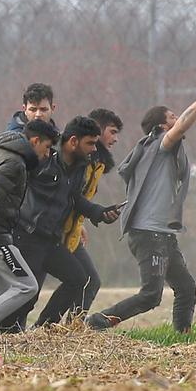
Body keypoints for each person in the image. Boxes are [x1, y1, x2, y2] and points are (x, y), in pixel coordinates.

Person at [87, 73, 196, 333]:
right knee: (152, 294)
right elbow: (183, 125)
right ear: (163, 127)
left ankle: (182, 337)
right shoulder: (159, 145)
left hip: (162, 234)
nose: (178, 120)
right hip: (149, 234)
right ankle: (100, 320)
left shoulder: (166, 151)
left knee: (186, 288)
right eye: (172, 117)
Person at [8, 116, 120, 331]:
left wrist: (99, 213)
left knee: (79, 279)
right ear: (73, 141)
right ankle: (4, 334)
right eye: (90, 143)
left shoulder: (80, 166)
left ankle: (43, 330)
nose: (94, 148)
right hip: (27, 235)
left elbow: (74, 199)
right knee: (26, 296)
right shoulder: (43, 158)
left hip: (51, 239)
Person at [0, 119, 59, 334]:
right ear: (35, 140)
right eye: (47, 147)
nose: (47, 154)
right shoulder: (15, 163)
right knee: (27, 286)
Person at [35, 107, 123, 326]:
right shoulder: (76, 161)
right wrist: (91, 213)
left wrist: (94, 214)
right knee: (34, 288)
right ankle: (51, 328)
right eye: (112, 132)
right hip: (50, 233)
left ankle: (65, 328)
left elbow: (75, 198)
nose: (115, 139)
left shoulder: (93, 163)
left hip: (69, 231)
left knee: (85, 280)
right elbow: (69, 197)